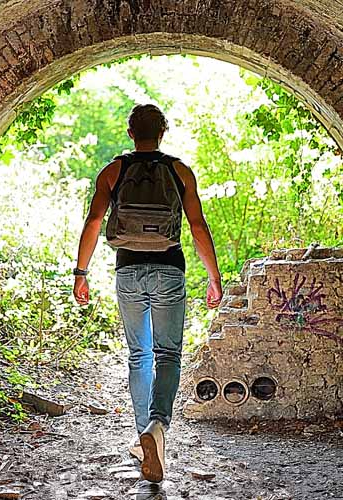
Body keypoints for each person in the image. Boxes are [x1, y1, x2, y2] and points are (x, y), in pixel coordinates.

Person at [73, 104, 222, 483]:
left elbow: (94, 221)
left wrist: (81, 272)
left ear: (130, 133)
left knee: (138, 354)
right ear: (162, 132)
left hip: (128, 270)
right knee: (167, 353)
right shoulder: (179, 171)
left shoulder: (113, 171)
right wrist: (214, 277)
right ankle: (157, 427)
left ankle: (143, 436)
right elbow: (198, 226)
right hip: (169, 268)